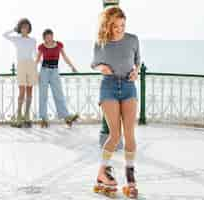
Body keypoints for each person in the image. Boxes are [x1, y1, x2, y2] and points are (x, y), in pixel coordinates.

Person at [91, 7, 140, 199]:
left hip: (128, 86)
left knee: (129, 134)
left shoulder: (133, 39)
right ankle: (102, 172)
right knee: (114, 134)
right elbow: (94, 63)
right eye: (116, 26)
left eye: (122, 25)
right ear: (108, 25)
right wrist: (100, 66)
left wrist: (135, 72)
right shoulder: (100, 43)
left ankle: (130, 172)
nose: (120, 29)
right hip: (109, 87)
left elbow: (137, 61)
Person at [36, 29, 79, 128]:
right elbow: (38, 60)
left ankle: (66, 117)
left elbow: (65, 57)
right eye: (46, 37)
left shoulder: (59, 45)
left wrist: (72, 66)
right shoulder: (42, 47)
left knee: (59, 94)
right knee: (43, 95)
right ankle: (44, 119)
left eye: (50, 36)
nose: (49, 38)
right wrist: (33, 72)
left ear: (52, 36)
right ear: (44, 38)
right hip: (44, 71)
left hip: (55, 71)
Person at [3, 18, 38, 128]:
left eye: (27, 27)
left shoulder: (33, 40)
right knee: (22, 91)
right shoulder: (16, 39)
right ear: (20, 28)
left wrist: (39, 65)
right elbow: (4, 35)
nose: (25, 29)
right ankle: (19, 114)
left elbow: (36, 54)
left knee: (29, 91)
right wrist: (14, 29)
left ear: (29, 28)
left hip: (31, 65)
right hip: (21, 65)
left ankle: (27, 115)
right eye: (23, 27)